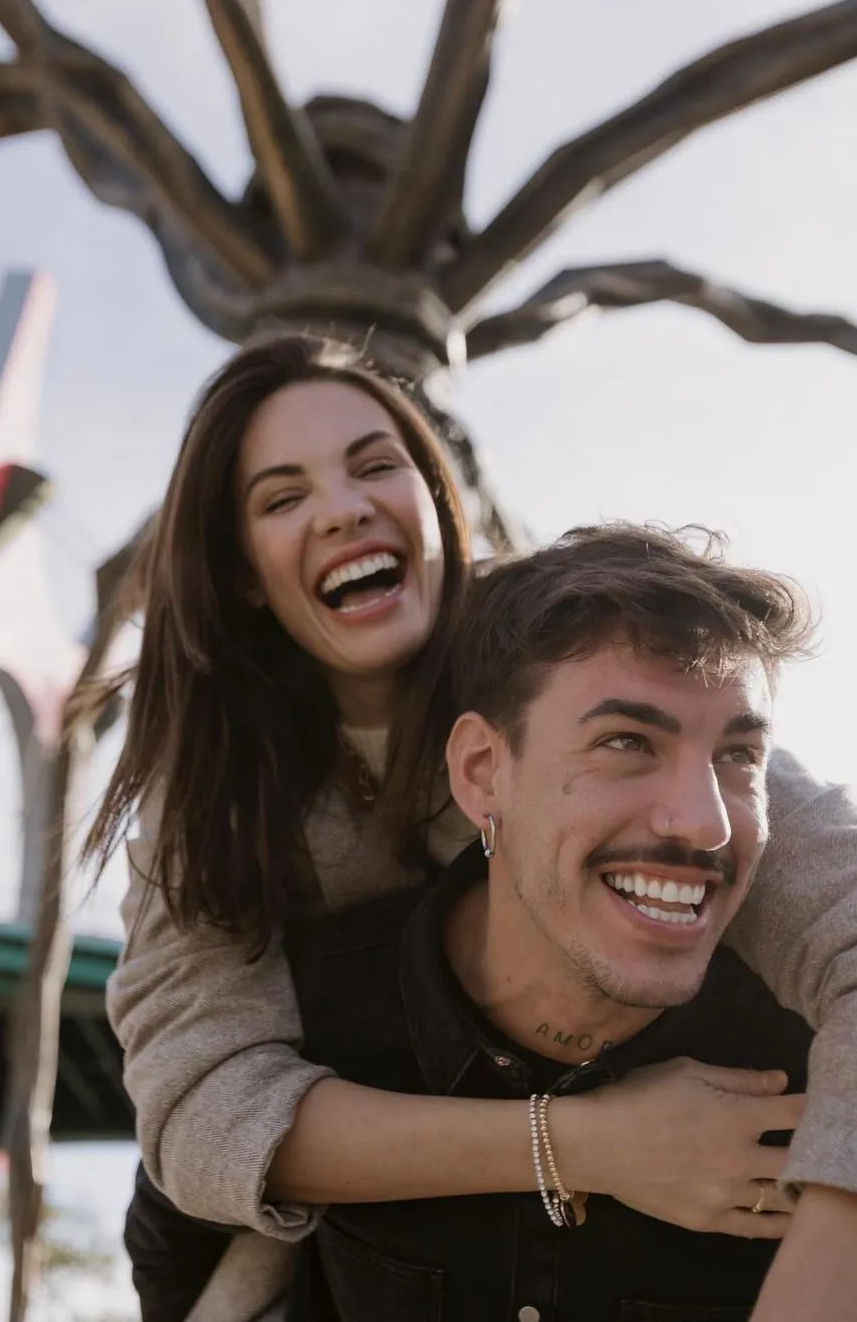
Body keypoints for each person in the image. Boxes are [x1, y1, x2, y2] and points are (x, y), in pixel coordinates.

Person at [88, 336, 857, 1322]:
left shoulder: (575, 659)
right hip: (319, 1177)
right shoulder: (213, 787)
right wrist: (588, 1141)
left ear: (438, 503)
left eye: (377, 464)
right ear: (243, 572)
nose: (344, 506)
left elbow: (832, 905)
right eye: (283, 497)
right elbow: (202, 1113)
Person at [281, 523, 815, 1319]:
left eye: (738, 756)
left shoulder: (815, 1071)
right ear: (483, 772)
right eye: (627, 740)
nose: (704, 822)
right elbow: (184, 1254)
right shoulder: (307, 1019)